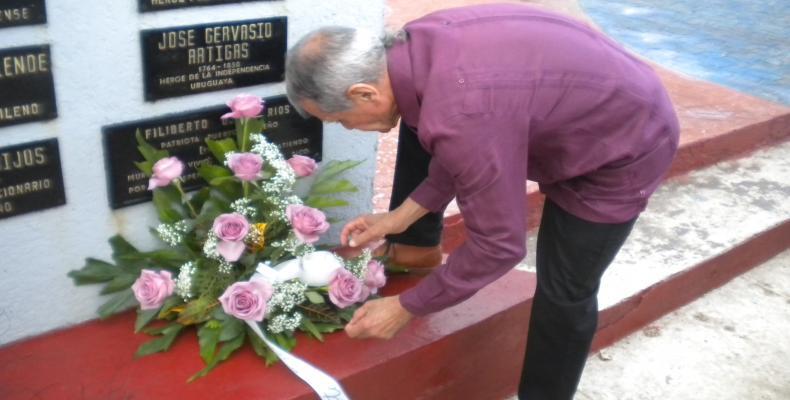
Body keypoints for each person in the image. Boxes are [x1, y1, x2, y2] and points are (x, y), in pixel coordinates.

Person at [285, 4, 679, 399]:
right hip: (589, 103)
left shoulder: (462, 111)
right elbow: (464, 147)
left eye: (339, 119)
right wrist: (400, 218)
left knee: (565, 289)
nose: (349, 128)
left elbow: (499, 244)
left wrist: (407, 306)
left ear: (363, 92)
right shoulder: (415, 48)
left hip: (626, 144)